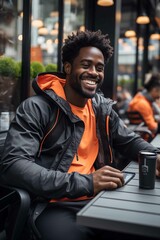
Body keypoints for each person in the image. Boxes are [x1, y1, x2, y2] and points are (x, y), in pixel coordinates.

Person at [0, 30, 160, 240]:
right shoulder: (36, 108)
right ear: (68, 67)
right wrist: (87, 182)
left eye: (99, 68)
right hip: (52, 205)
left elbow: (130, 141)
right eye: (86, 65)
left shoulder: (101, 108)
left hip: (99, 199)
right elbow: (14, 164)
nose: (94, 72)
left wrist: (155, 155)